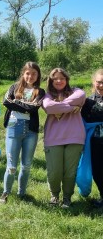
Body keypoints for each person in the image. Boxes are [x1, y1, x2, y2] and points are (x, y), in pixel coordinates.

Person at [0, 62, 45, 204]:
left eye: (34, 74)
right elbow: (6, 101)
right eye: (28, 73)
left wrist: (16, 103)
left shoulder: (40, 92)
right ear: (23, 74)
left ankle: (21, 193)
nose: (30, 76)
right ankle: (5, 193)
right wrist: (25, 106)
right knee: (11, 166)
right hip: (13, 128)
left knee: (26, 165)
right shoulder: (14, 87)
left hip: (31, 131)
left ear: (38, 75)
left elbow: (34, 108)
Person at [42, 68, 86, 208]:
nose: (59, 81)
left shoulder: (76, 91)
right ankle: (54, 196)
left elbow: (81, 96)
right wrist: (71, 107)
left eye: (62, 78)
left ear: (66, 79)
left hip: (75, 137)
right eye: (55, 78)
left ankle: (67, 198)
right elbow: (49, 107)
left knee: (70, 172)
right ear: (51, 80)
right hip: (53, 138)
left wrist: (59, 107)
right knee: (54, 172)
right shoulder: (48, 95)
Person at [81, 69, 103, 207]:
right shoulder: (88, 101)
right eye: (99, 82)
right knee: (97, 170)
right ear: (94, 82)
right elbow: (84, 119)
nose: (101, 85)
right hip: (94, 141)